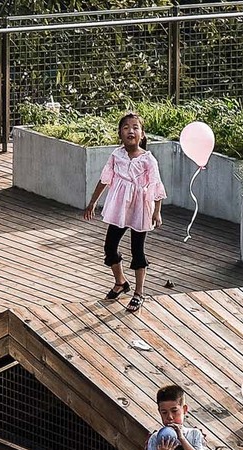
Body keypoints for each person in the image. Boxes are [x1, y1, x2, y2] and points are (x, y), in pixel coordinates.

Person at [81, 112, 166, 312]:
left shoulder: (148, 160)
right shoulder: (116, 155)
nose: (131, 131)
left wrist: (157, 212)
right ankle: (120, 282)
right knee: (110, 246)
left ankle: (139, 293)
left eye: (136, 127)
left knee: (137, 250)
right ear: (120, 133)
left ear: (142, 134)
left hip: (140, 207)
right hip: (119, 206)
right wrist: (93, 202)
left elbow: (156, 186)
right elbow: (105, 179)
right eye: (126, 127)